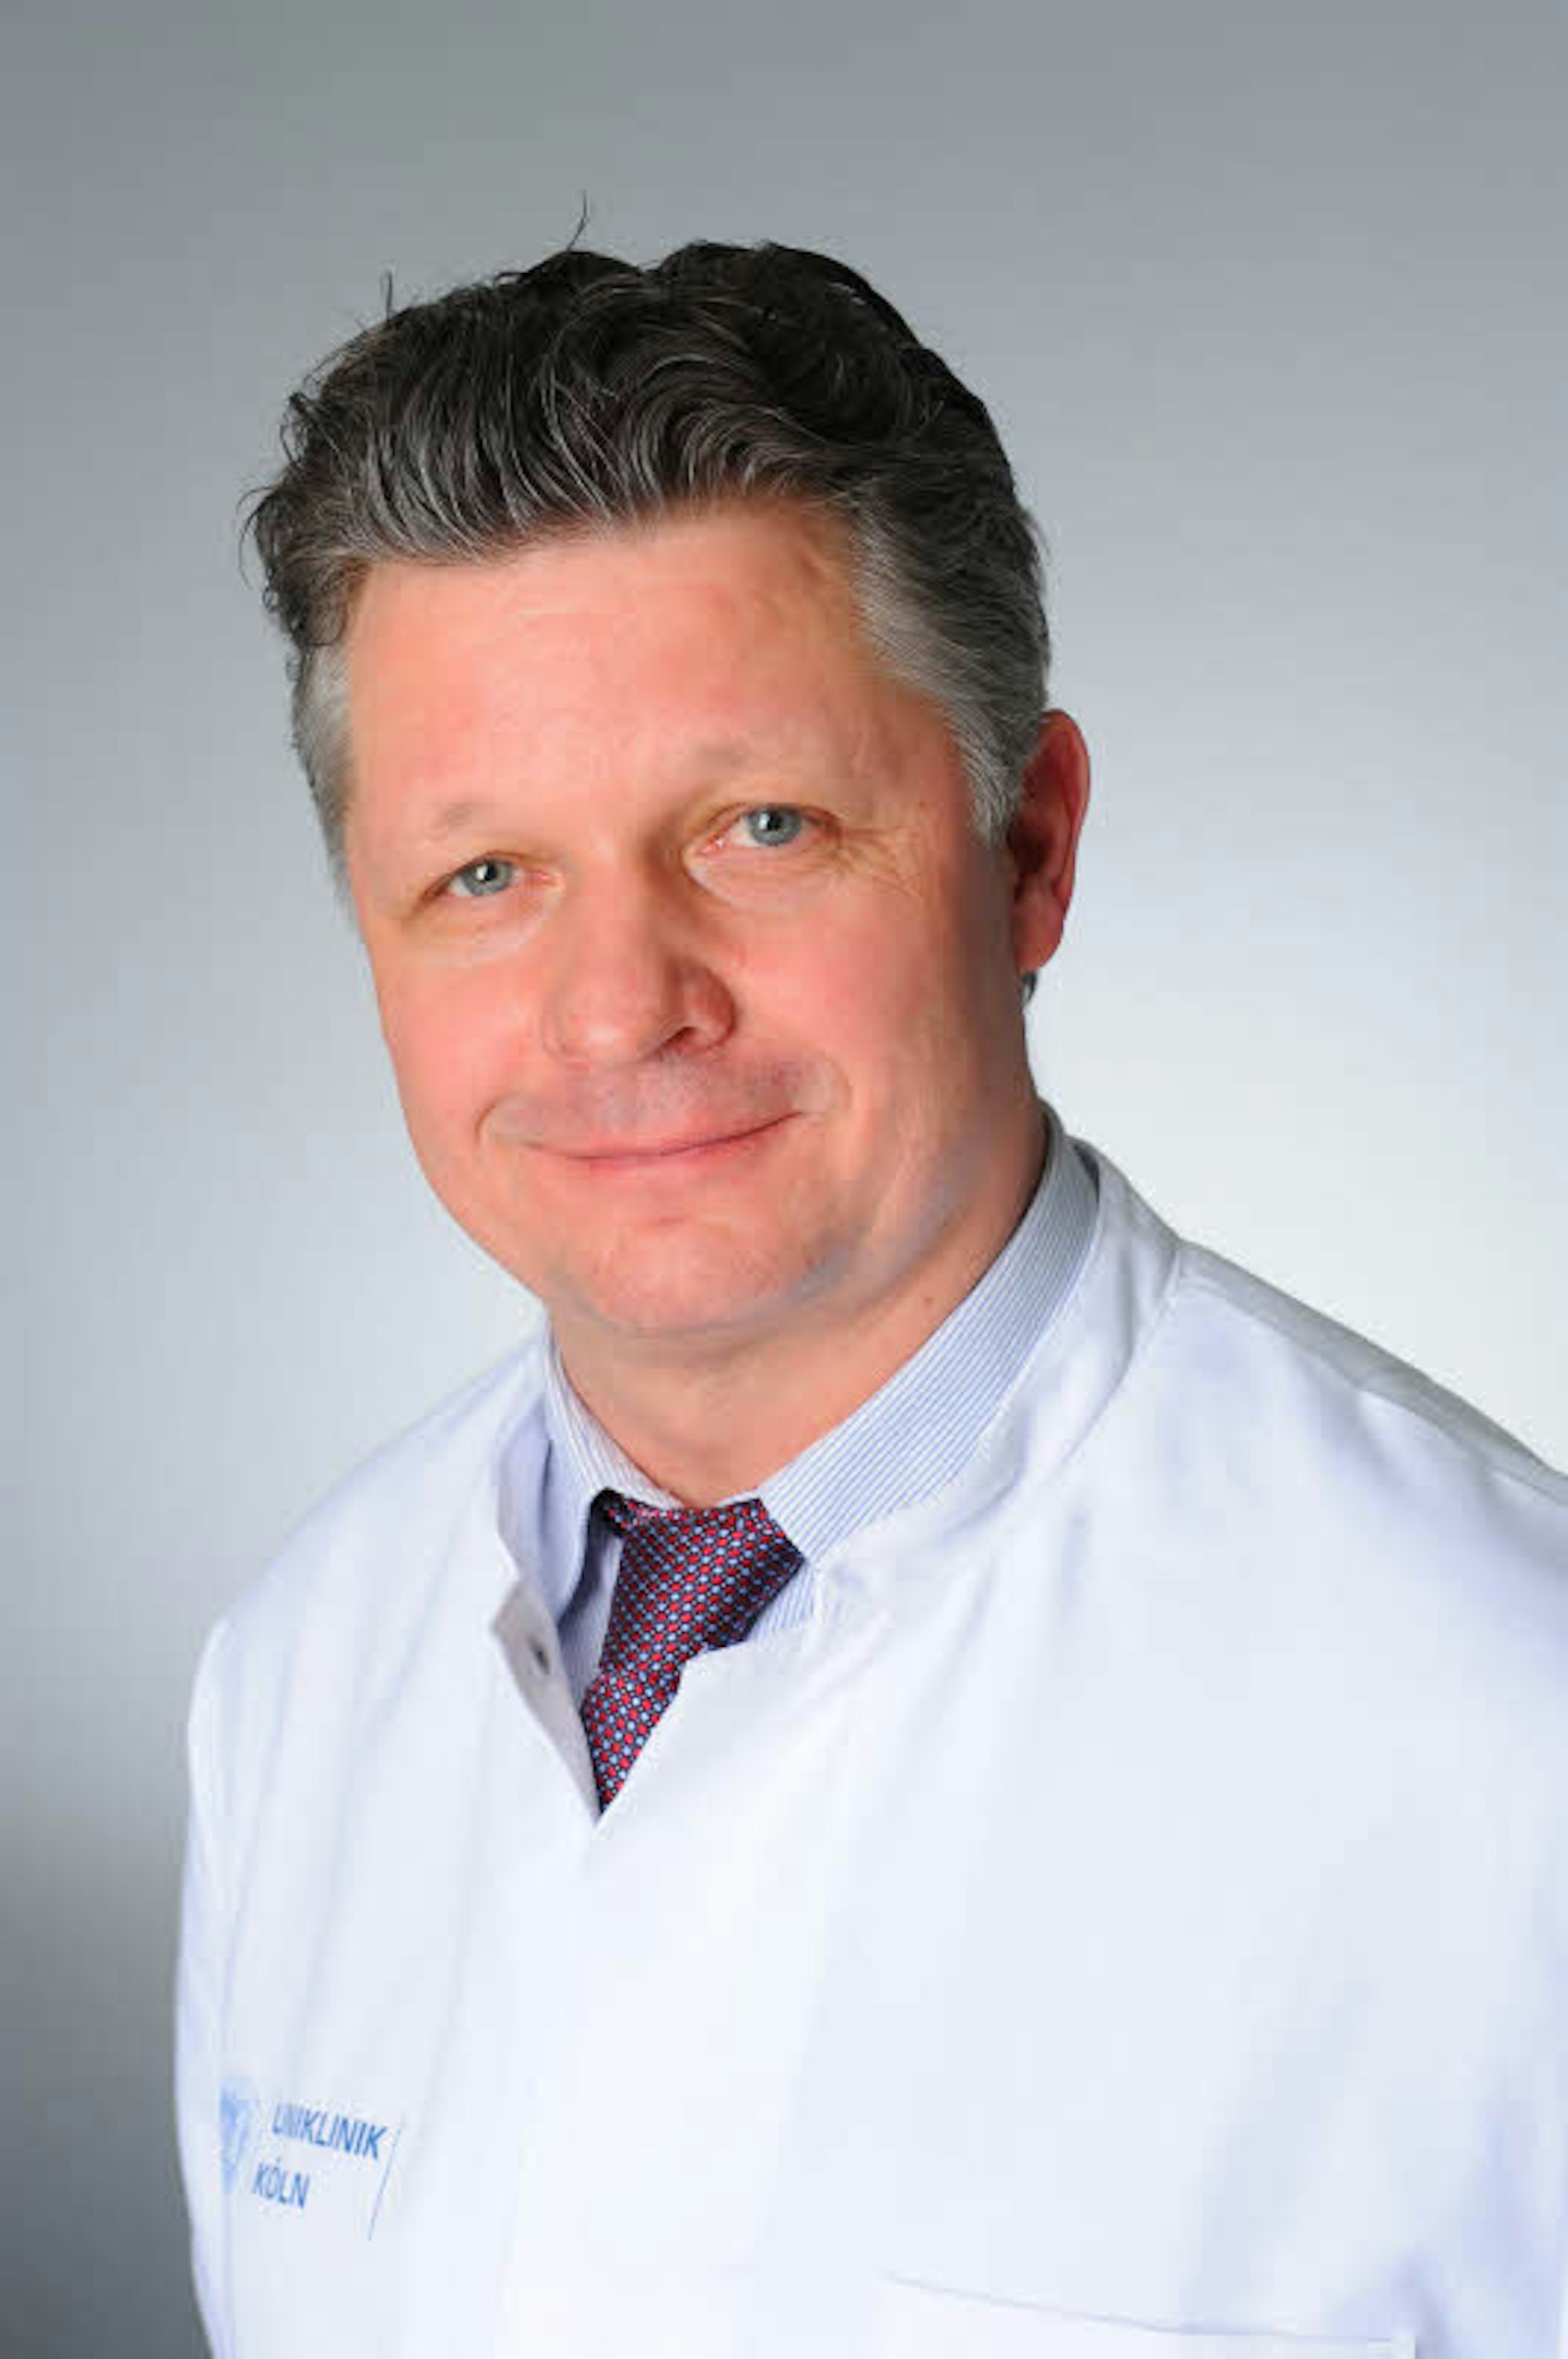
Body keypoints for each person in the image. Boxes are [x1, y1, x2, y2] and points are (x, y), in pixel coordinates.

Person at [176, 242, 1568, 2359]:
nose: (621, 1008)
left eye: (763, 825)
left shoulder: (1505, 1731)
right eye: (486, 875)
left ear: (1030, 853)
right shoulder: (297, 1673)